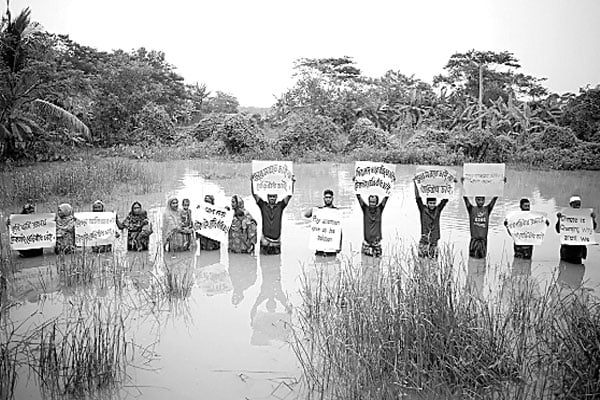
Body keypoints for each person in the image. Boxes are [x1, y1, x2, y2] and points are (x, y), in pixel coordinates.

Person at [251, 176, 295, 255]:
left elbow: (289, 195)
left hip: (276, 241)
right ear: (267, 197)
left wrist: (292, 183)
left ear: (276, 197)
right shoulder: (263, 205)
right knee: (264, 263)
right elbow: (254, 194)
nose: (272, 198)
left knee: (276, 264)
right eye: (270, 196)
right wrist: (252, 182)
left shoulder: (280, 206)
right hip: (265, 240)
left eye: (274, 196)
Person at [555, 195, 597, 264]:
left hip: (579, 251)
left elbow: (592, 229)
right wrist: (559, 219)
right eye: (575, 203)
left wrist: (592, 219)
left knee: (578, 267)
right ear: (571, 205)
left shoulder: (585, 216)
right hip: (566, 250)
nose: (577, 205)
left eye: (578, 204)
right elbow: (558, 230)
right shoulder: (565, 216)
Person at [414, 180, 449, 258]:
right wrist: (415, 184)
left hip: (434, 241)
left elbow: (445, 199)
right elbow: (418, 198)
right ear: (427, 203)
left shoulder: (438, 210)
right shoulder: (423, 210)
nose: (432, 205)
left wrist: (451, 184)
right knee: (421, 262)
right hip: (424, 239)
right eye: (430, 203)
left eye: (434, 203)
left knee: (433, 263)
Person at [304, 189, 342, 257]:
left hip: (331, 247)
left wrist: (339, 246)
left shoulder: (336, 212)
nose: (328, 199)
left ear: (332, 198)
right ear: (323, 199)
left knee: (332, 265)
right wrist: (313, 209)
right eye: (326, 197)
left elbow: (339, 231)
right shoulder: (319, 210)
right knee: (318, 264)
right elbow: (306, 215)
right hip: (320, 247)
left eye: (329, 197)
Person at [356, 193, 389, 257]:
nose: (371, 204)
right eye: (370, 202)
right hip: (366, 243)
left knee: (377, 264)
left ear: (376, 203)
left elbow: (386, 197)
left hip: (377, 244)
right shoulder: (365, 209)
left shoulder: (379, 209)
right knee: (365, 265)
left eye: (373, 202)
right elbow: (358, 197)